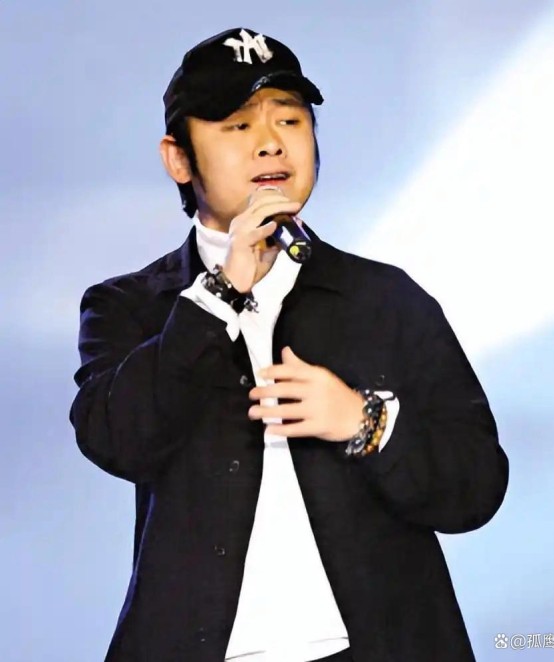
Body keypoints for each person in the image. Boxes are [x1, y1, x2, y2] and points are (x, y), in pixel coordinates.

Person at [69, 27, 509, 662]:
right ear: (178, 158)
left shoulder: (385, 298)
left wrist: (366, 422)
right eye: (237, 125)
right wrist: (218, 294)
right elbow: (117, 439)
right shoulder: (129, 306)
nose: (271, 142)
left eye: (290, 119)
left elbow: (477, 487)